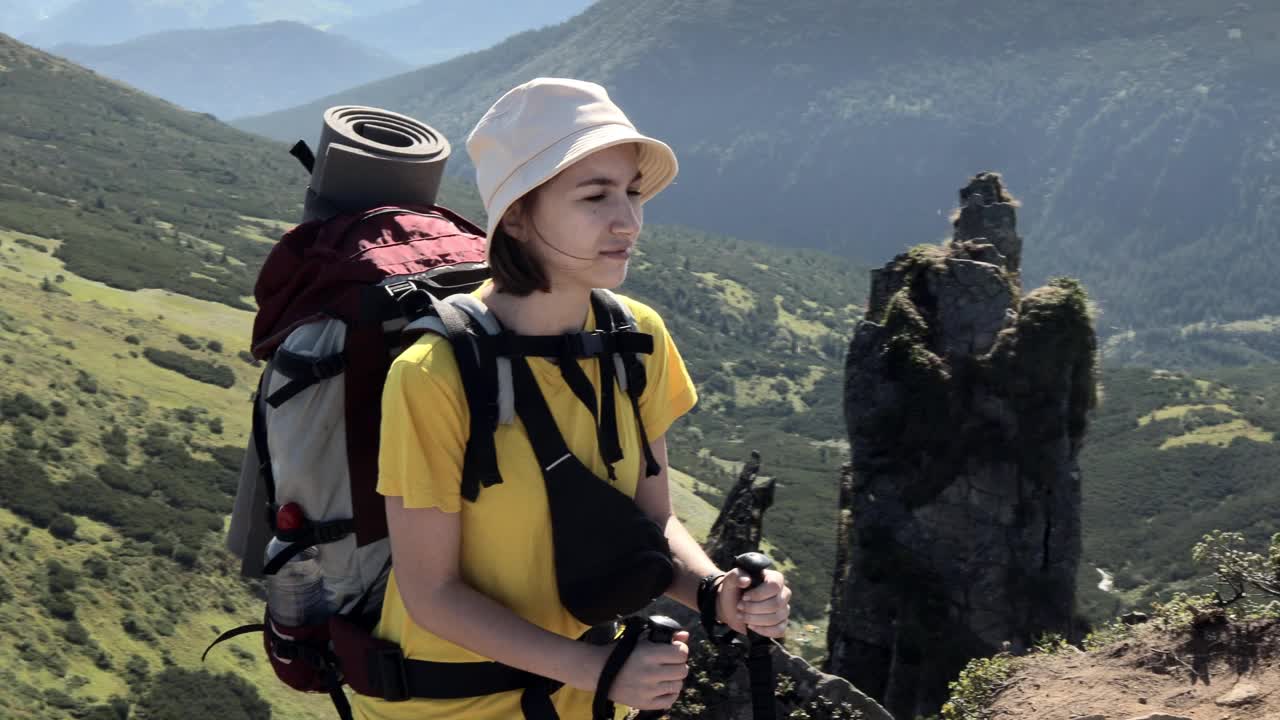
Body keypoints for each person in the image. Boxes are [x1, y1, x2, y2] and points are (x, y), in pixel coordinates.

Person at [352, 78, 792, 720]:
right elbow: (432, 595)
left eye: (632, 193)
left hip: (587, 698)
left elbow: (653, 524)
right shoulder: (433, 373)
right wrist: (601, 669)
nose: (628, 220)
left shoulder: (635, 338)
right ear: (520, 214)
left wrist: (716, 591)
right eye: (595, 196)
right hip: (451, 705)